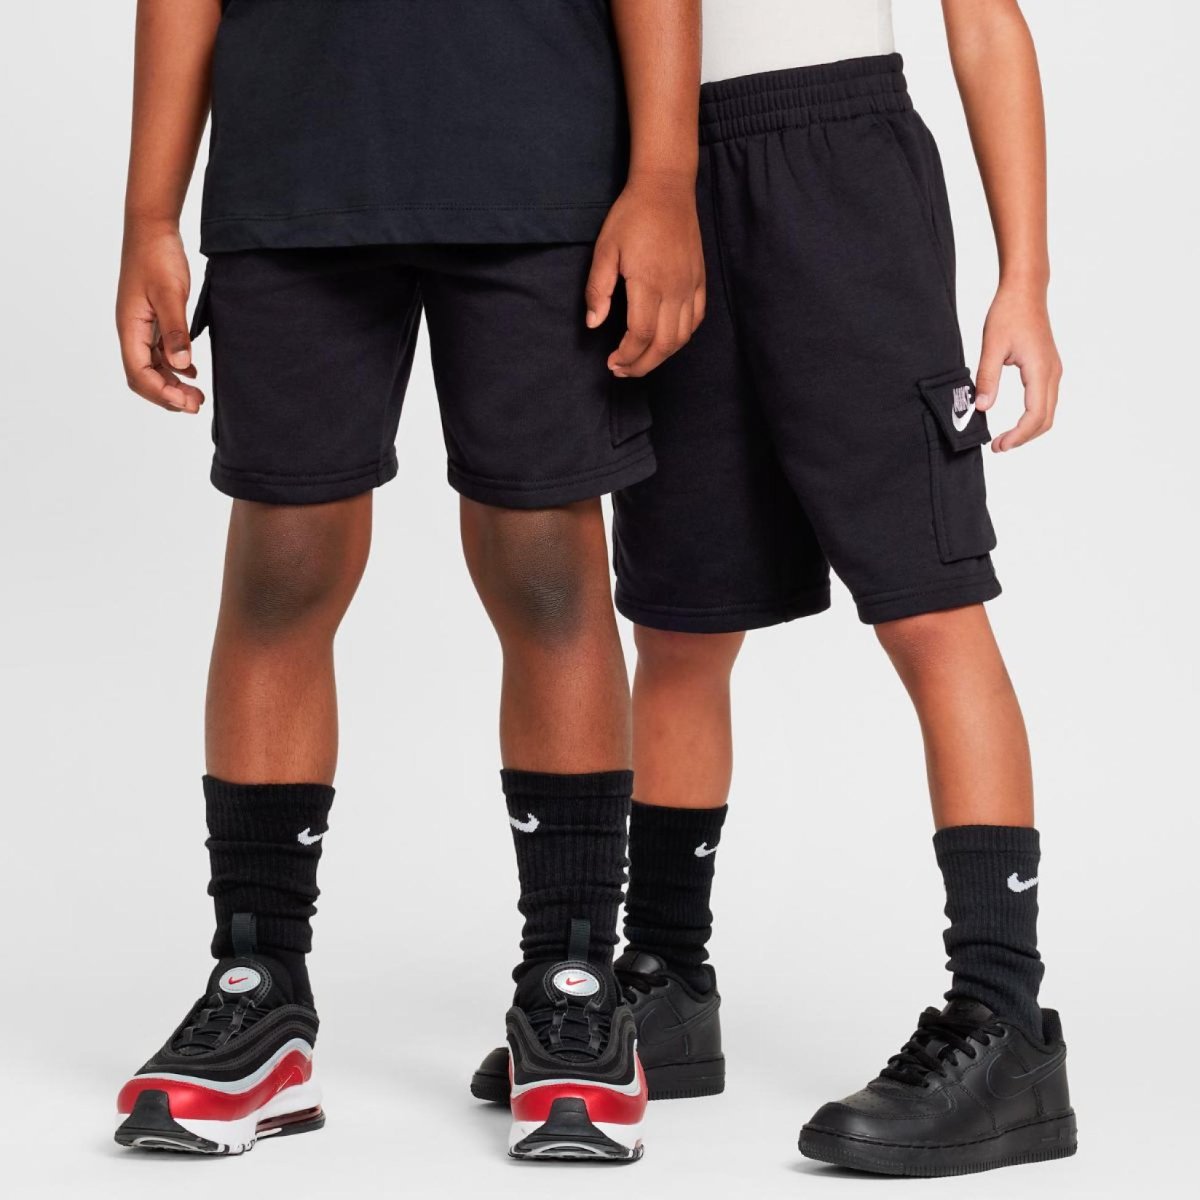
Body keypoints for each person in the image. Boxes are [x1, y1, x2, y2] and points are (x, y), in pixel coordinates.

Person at [475, 0, 1075, 1176]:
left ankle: (1006, 1017)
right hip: (657, 182)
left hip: (840, 162)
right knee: (678, 620)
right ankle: (667, 977)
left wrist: (1026, 278)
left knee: (930, 605)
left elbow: (987, 24)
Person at [112, 0, 703, 1162]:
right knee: (280, 569)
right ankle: (259, 984)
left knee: (547, 568)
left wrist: (666, 175)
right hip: (292, 172)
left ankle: (572, 981)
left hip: (541, 168)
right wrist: (147, 213)